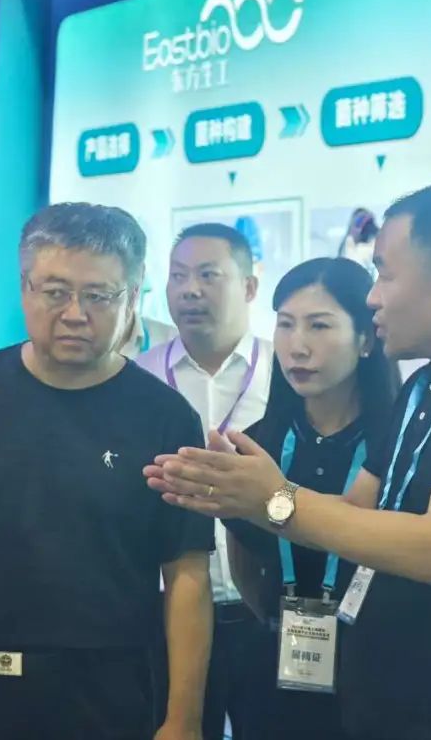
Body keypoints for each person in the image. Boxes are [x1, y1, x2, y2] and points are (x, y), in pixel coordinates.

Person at [146, 184, 431, 740]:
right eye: (286, 323)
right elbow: (356, 511)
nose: (373, 297)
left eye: (385, 275)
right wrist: (241, 496)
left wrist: (274, 499)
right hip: (384, 696)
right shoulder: (426, 384)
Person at [0, 202, 214, 740]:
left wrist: (184, 719)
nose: (75, 313)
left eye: (98, 295)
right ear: (25, 288)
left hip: (108, 694)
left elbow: (187, 573)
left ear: (132, 297)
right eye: (55, 291)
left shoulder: (164, 416)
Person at [222, 257, 399, 739]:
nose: (297, 346)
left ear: (366, 339)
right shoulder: (258, 443)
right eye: (285, 325)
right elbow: (242, 555)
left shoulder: (397, 441)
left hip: (379, 670)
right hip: (274, 664)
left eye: (319, 326)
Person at [137, 222, 273, 740]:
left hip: (262, 611)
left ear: (249, 286)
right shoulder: (137, 378)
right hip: (164, 613)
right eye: (178, 276)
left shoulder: (285, 372)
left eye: (208, 275)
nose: (190, 290)